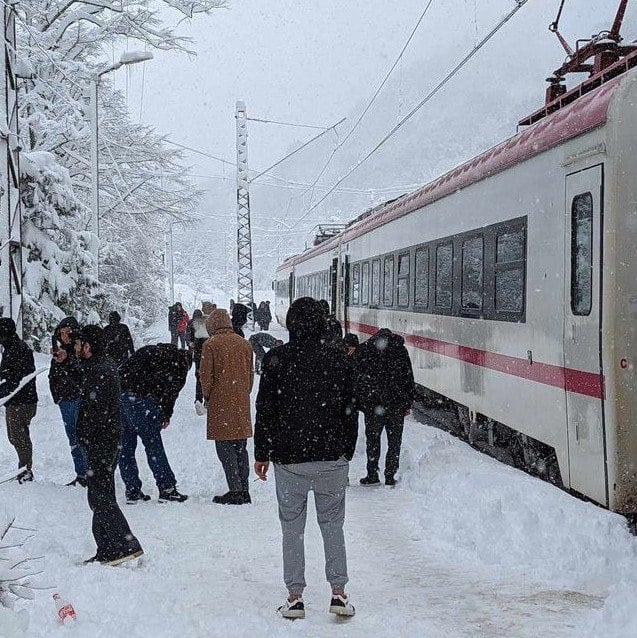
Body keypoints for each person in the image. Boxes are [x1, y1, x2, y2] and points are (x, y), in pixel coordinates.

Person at [254, 297, 357, 619]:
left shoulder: (276, 359)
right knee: (332, 526)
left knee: (292, 529)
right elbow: (350, 411)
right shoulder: (339, 359)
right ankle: (338, 594)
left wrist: (262, 453)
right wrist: (346, 450)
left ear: (290, 323)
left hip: (290, 460)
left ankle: (295, 597)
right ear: (323, 323)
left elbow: (266, 409)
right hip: (331, 459)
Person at [76, 325, 143, 565]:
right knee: (100, 494)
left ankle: (125, 544)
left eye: (79, 343)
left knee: (99, 495)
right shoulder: (99, 366)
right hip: (105, 439)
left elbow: (98, 410)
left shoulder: (101, 370)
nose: (76, 347)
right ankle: (107, 549)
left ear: (89, 345)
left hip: (102, 441)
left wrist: (86, 432)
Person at [118, 344, 190, 503]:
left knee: (125, 446)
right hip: (140, 399)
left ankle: (132, 490)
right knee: (153, 444)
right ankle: (167, 488)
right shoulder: (179, 364)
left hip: (121, 396)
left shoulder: (151, 350)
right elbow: (171, 392)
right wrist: (165, 414)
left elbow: (124, 369)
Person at [200, 310, 254, 505]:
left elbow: (206, 376)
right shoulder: (244, 343)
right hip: (240, 401)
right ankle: (245, 489)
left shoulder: (210, 345)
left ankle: (235, 490)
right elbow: (250, 376)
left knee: (225, 448)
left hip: (220, 402)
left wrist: (208, 397)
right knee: (241, 447)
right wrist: (242, 393)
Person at [352, 328, 414, 487]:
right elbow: (408, 379)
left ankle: (372, 474)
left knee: (373, 440)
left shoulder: (365, 349)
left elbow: (356, 378)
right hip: (396, 406)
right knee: (394, 442)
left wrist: (361, 402)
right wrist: (407, 404)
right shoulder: (400, 350)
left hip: (373, 406)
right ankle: (390, 475)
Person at [49, 317, 87, 487]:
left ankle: (89, 473)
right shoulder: (61, 351)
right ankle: (81, 474)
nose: (64, 336)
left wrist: (67, 360)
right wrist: (57, 396)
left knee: (82, 438)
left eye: (67, 332)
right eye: (61, 333)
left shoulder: (80, 350)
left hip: (78, 399)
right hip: (65, 400)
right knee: (73, 439)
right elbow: (53, 375)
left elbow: (81, 374)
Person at [0, 318, 38, 484]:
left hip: (21, 401)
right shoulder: (10, 348)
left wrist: (3, 392)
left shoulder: (18, 349)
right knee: (15, 436)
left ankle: (25, 470)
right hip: (16, 401)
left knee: (18, 436)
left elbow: (16, 379)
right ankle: (24, 468)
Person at [187, 309, 209, 415]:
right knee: (208, 376)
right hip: (207, 353)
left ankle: (198, 399)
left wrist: (191, 345)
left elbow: (189, 339)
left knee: (199, 376)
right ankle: (207, 401)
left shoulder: (191, 323)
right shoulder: (206, 323)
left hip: (198, 354)